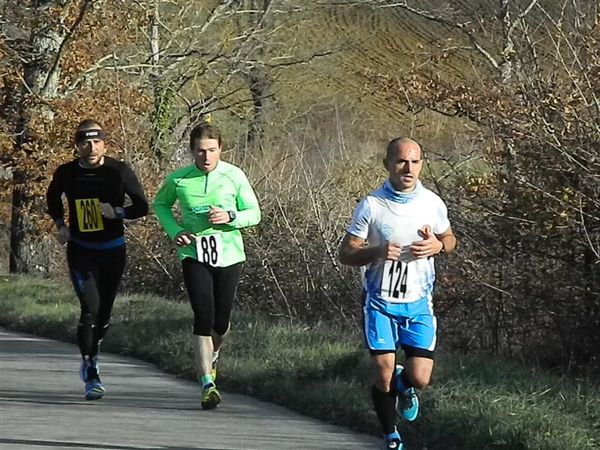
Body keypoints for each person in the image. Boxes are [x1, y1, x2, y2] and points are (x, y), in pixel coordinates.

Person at [338, 137, 456, 450]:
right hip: (379, 303)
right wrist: (375, 252)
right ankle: (391, 436)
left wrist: (439, 246)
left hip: (417, 305)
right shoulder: (372, 205)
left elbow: (450, 238)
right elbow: (346, 254)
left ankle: (406, 387)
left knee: (420, 379)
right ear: (387, 164)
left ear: (421, 164)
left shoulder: (431, 203)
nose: (408, 168)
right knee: (383, 371)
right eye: (402, 161)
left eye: (415, 161)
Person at [153, 122, 261, 410]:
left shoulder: (234, 175)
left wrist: (230, 217)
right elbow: (160, 205)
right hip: (194, 254)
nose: (206, 157)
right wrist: (175, 231)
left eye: (212, 150)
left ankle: (213, 356)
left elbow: (255, 213)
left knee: (220, 322)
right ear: (191, 151)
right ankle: (206, 384)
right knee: (203, 315)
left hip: (228, 254)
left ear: (220, 150)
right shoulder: (179, 179)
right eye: (200, 151)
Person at [46, 119, 149, 400]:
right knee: (90, 307)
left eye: (96, 142)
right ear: (77, 145)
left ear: (105, 143)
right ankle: (91, 369)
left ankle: (94, 348)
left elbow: (142, 206)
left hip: (113, 249)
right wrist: (61, 225)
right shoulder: (66, 172)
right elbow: (52, 197)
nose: (91, 148)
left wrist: (118, 212)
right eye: (85, 142)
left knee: (104, 311)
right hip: (81, 249)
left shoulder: (119, 171)